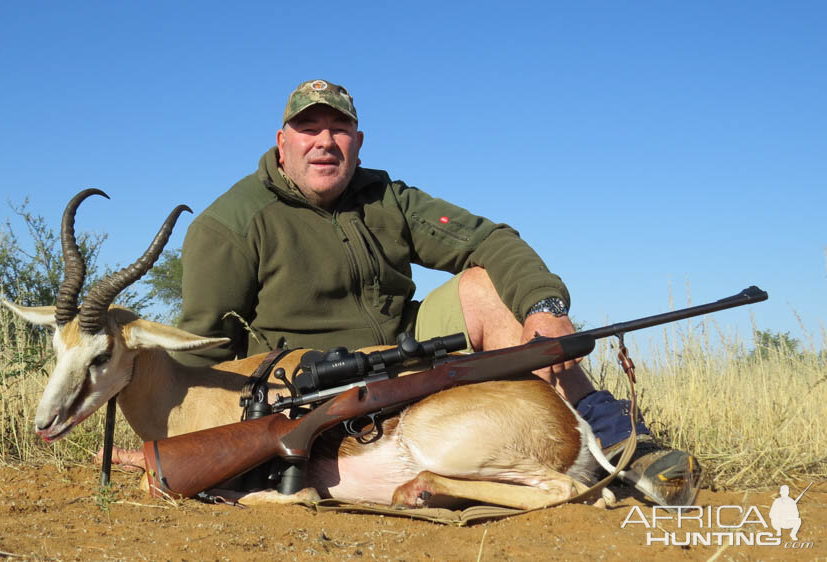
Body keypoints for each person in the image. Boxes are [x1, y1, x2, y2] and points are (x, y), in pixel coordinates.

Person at [173, 79, 700, 505]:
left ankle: (622, 441)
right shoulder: (230, 224)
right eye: (307, 127)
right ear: (281, 142)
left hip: (405, 355)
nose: (324, 141)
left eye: (340, 128)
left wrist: (544, 306)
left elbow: (488, 239)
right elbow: (206, 354)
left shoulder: (387, 197)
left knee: (487, 286)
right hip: (309, 381)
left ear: (358, 141)